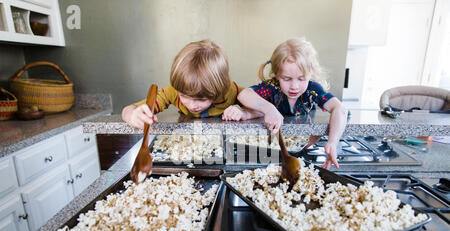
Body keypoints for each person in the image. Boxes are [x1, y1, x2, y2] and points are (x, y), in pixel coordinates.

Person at [223, 37, 348, 170]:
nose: (294, 86)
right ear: (277, 75)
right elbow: (244, 94)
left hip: (302, 147)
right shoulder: (273, 87)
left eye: (301, 79)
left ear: (311, 74)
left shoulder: (313, 90)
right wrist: (269, 109)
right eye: (287, 79)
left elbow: (340, 109)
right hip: (270, 148)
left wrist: (332, 142)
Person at [122, 39, 261, 129]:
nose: (192, 105)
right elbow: (128, 109)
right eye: (184, 96)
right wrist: (133, 115)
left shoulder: (230, 91)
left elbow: (263, 108)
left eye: (201, 99)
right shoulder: (173, 91)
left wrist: (244, 112)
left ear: (219, 89)